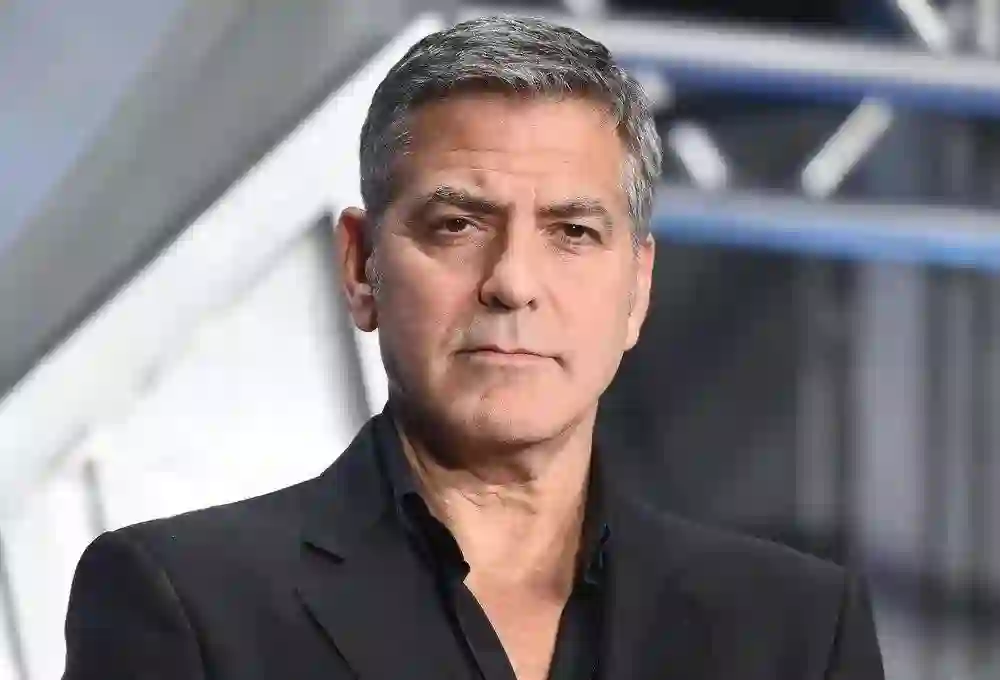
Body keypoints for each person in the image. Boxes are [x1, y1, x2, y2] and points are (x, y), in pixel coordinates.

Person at [62, 15, 885, 680]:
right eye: (457, 225)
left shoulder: (796, 631)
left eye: (572, 231)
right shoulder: (185, 603)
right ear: (360, 266)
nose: (512, 282)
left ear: (637, 289)